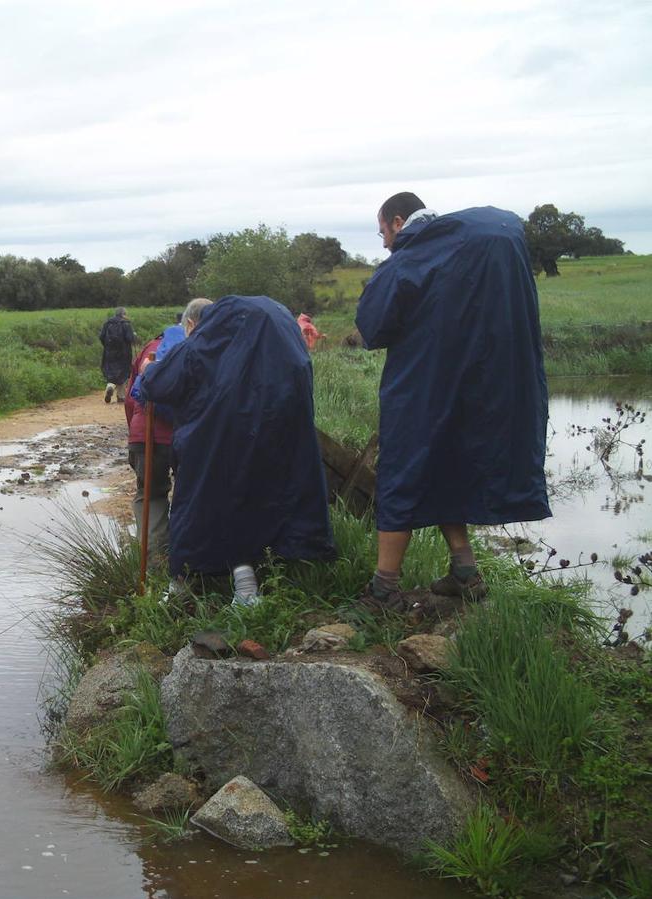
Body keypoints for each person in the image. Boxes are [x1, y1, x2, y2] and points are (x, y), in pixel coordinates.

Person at [357, 193, 551, 612]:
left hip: (424, 390)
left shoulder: (409, 260)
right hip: (482, 386)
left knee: (400, 474)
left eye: (383, 233)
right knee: (449, 468)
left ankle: (383, 590)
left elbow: (373, 328)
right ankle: (465, 572)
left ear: (397, 221)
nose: (385, 243)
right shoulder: (473, 245)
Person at [140, 296, 334, 597]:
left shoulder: (204, 345)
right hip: (274, 442)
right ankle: (250, 583)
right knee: (255, 505)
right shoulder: (272, 343)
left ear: (192, 325)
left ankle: (181, 583)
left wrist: (147, 369)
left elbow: (162, 383)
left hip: (215, 446)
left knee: (200, 505)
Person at [123, 308, 189, 561]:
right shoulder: (199, 349)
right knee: (188, 496)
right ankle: (184, 562)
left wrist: (135, 436)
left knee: (150, 496)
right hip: (186, 436)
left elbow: (131, 399)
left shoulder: (151, 347)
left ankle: (153, 561)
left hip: (146, 434)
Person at [99, 306, 136, 403]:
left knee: (111, 371)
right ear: (123, 314)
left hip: (109, 352)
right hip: (124, 353)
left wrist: (107, 346)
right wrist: (134, 336)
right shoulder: (126, 324)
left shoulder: (107, 323)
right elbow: (129, 338)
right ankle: (121, 396)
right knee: (123, 373)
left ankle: (110, 386)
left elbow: (101, 336)